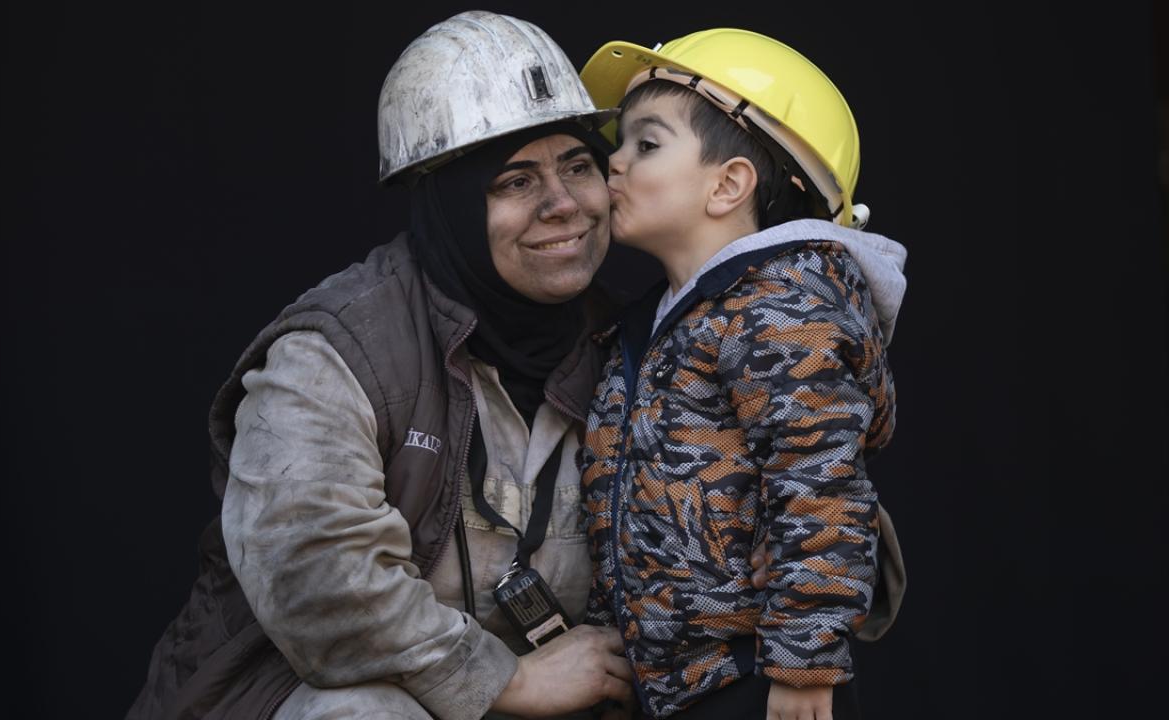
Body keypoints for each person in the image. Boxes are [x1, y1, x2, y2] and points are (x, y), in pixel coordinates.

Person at [125, 11, 635, 720]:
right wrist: (512, 684)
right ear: (450, 203)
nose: (564, 205)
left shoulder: (630, 347)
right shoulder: (334, 353)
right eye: (515, 182)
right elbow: (319, 581)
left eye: (578, 166)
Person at [575, 28, 908, 719]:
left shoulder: (782, 310)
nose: (614, 163)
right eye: (619, 143)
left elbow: (819, 486)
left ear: (728, 185)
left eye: (646, 144)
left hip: (755, 679)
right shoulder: (656, 322)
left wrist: (803, 667)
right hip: (671, 686)